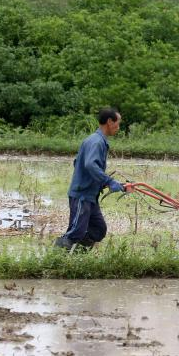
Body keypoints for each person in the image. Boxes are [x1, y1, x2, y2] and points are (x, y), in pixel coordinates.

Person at [53, 107, 133, 251]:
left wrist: (99, 182)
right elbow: (89, 164)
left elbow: (78, 162)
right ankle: (54, 261)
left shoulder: (96, 140)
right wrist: (108, 181)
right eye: (118, 123)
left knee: (98, 229)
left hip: (90, 195)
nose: (118, 127)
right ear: (109, 121)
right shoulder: (96, 142)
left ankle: (77, 260)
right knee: (75, 233)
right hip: (82, 195)